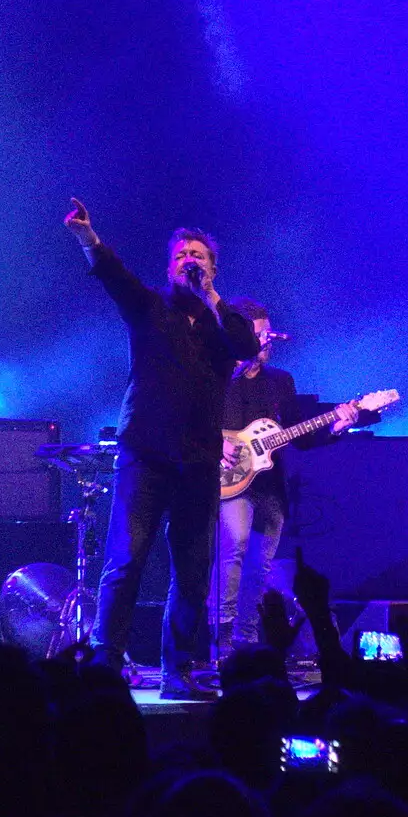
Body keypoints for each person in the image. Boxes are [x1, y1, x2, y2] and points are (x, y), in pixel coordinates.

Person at [63, 197, 261, 698]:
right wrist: (89, 238)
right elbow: (114, 277)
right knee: (126, 562)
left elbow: (246, 348)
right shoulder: (150, 308)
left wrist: (214, 298)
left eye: (199, 255)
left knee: (193, 571)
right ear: (170, 266)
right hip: (145, 456)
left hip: (197, 462)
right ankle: (104, 669)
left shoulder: (224, 326)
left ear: (213, 268)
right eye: (181, 256)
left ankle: (178, 672)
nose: (189, 260)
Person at [216, 299, 358, 652]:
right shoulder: (215, 377)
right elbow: (191, 421)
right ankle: (220, 638)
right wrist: (217, 440)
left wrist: (336, 426)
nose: (267, 342)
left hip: (270, 487)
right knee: (233, 552)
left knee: (258, 567)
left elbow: (300, 435)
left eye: (269, 335)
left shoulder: (280, 381)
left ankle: (246, 640)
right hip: (230, 483)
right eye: (260, 335)